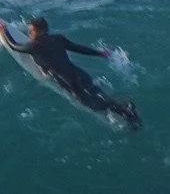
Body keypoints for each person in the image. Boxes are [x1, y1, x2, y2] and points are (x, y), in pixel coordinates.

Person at [2, 16, 140, 126]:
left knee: (92, 105)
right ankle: (128, 115)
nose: (28, 33)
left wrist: (5, 32)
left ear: (39, 31)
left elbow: (15, 47)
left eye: (30, 30)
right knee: (98, 94)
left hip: (67, 81)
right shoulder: (58, 39)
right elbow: (78, 48)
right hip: (79, 74)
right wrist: (100, 53)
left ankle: (124, 109)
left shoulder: (34, 46)